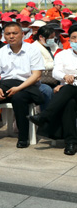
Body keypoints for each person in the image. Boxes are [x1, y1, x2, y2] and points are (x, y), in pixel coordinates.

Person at [0, 21, 45, 148]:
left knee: (19, 98)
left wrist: (18, 88)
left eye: (15, 33)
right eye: (8, 34)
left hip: (27, 85)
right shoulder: (1, 52)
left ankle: (23, 137)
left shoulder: (32, 50)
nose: (11, 36)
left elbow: (36, 75)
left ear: (22, 34)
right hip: (5, 84)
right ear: (4, 36)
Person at [29, 25, 77, 155]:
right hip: (68, 93)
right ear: (69, 39)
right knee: (69, 102)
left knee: (67, 89)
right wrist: (65, 77)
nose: (76, 41)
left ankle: (44, 116)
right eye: (74, 38)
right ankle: (71, 143)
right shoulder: (62, 54)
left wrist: (70, 81)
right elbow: (56, 73)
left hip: (67, 89)